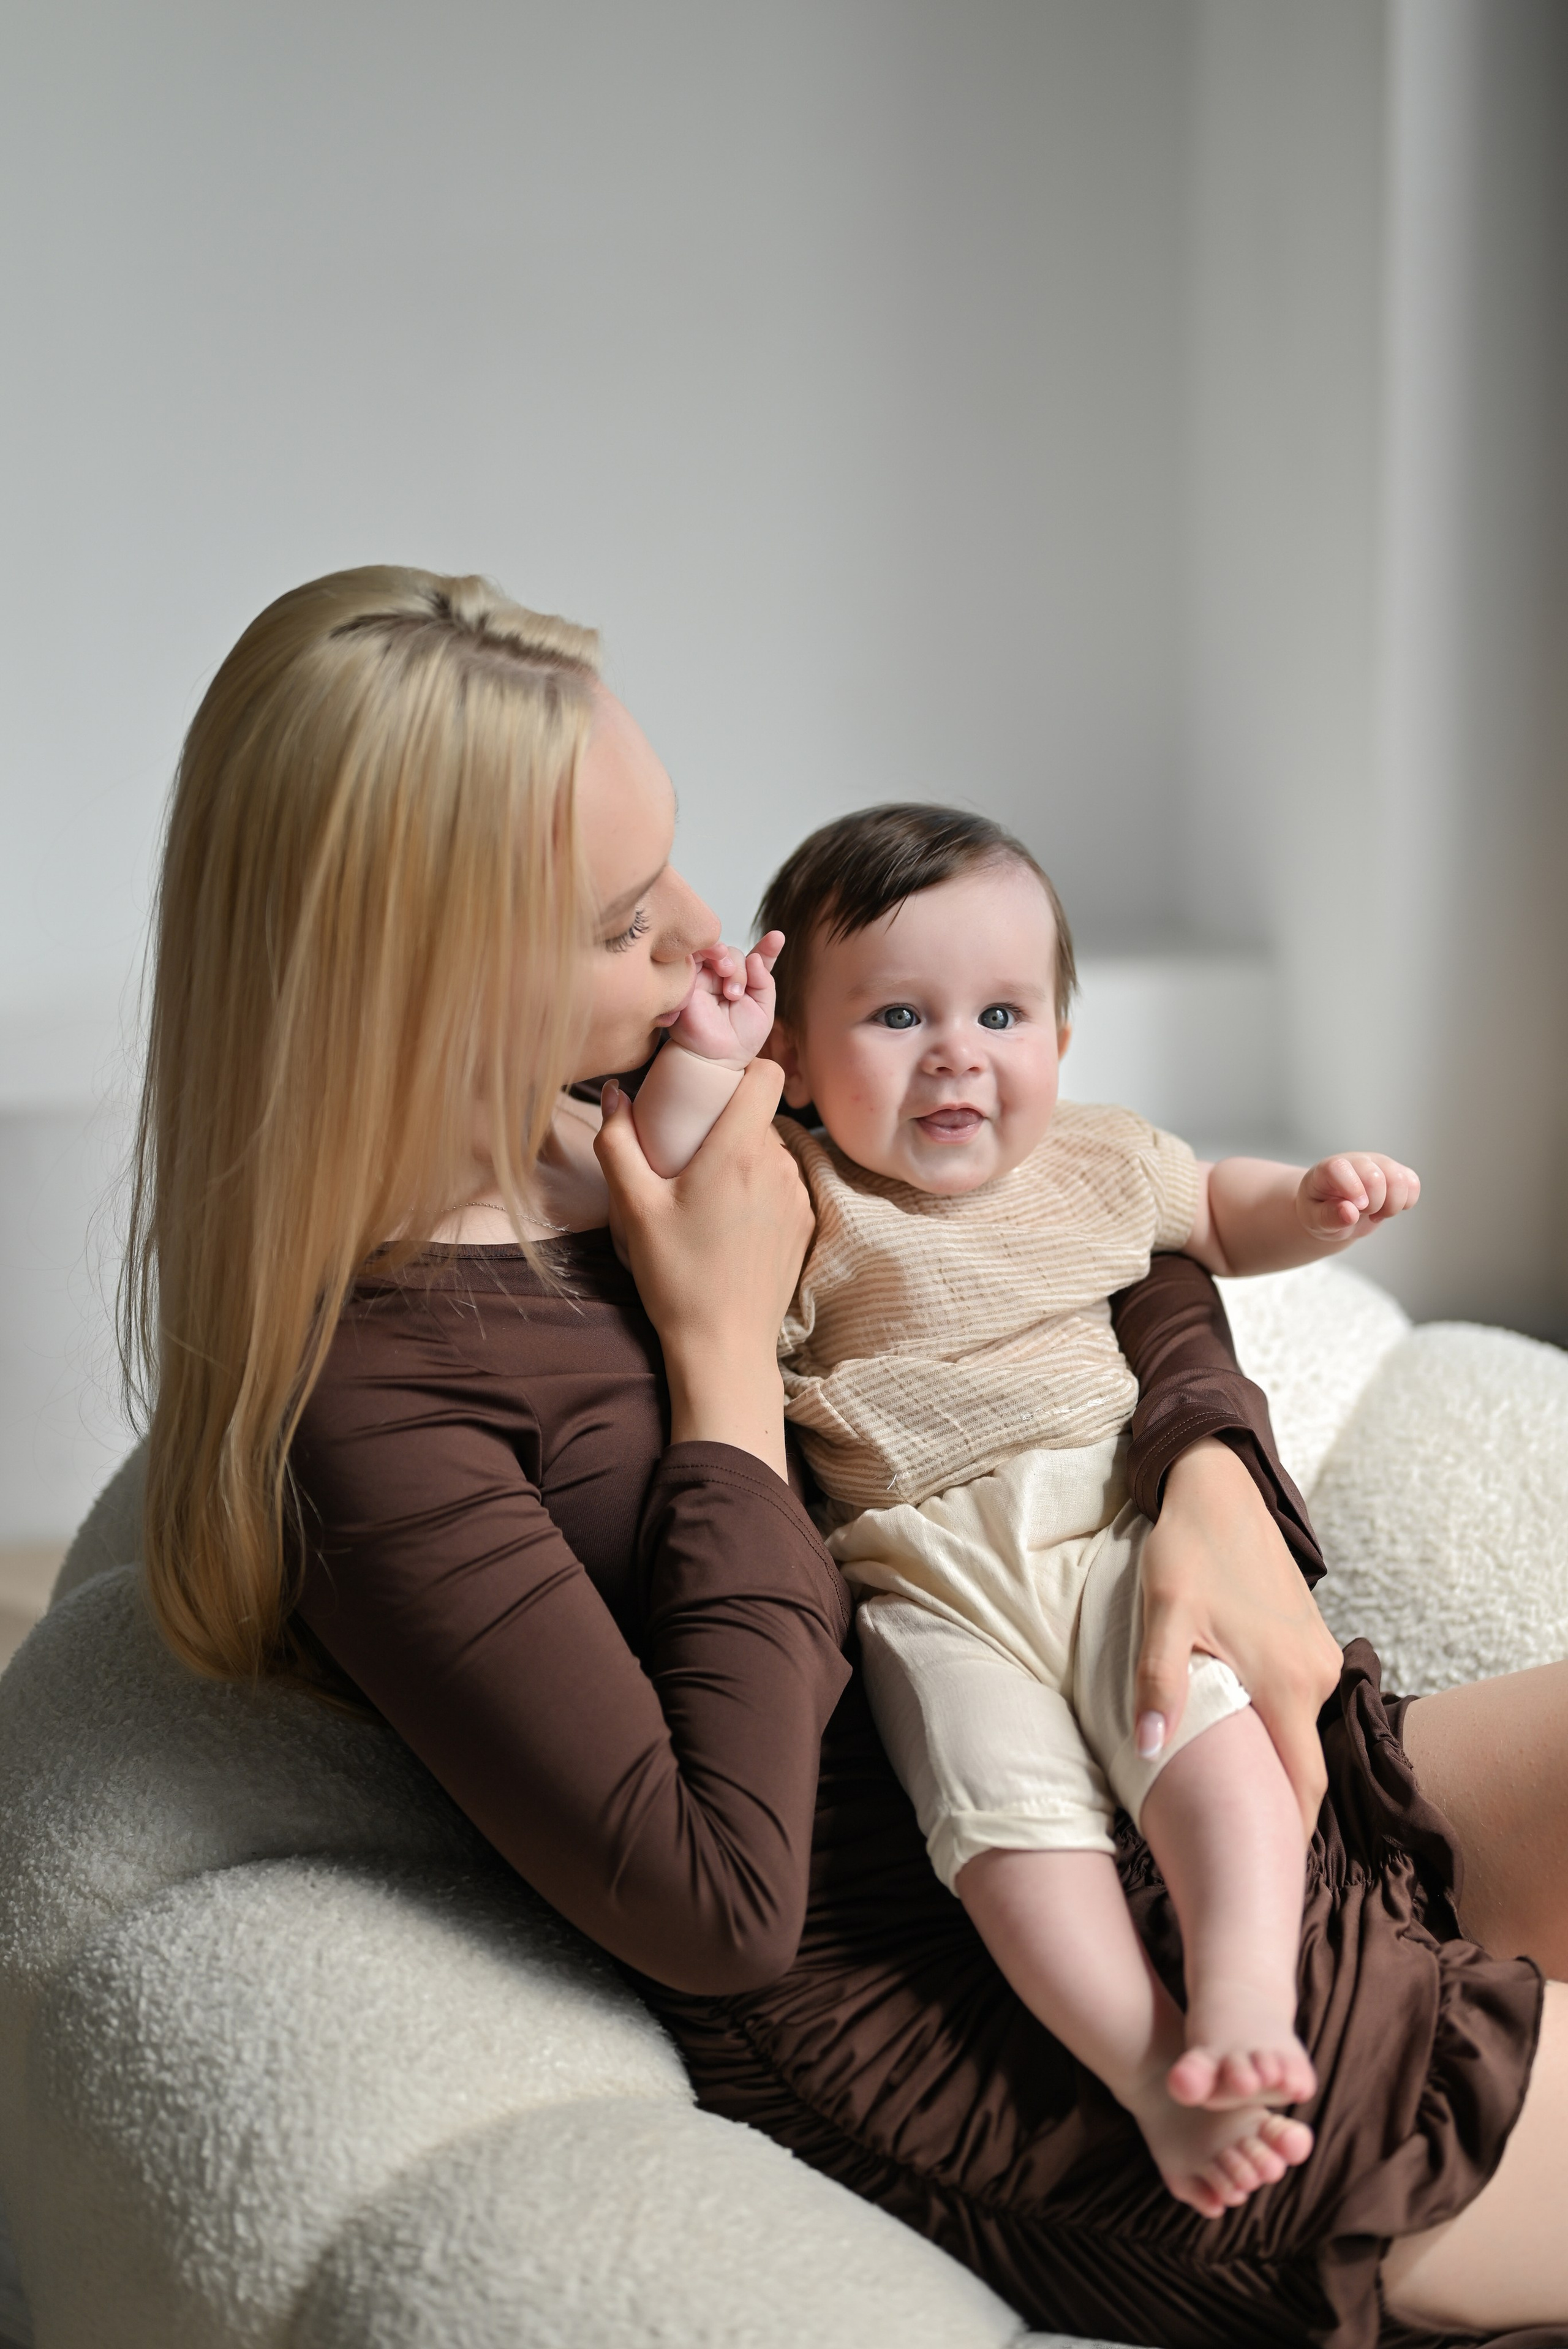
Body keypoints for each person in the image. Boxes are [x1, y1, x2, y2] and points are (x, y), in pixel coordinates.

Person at [125, 566, 1568, 2347]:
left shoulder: (686, 1095)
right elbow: (720, 1897)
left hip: (1162, 1728)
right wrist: (723, 1361)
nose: (710, 936)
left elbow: (1081, 1226)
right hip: (996, 1981)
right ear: (410, 986)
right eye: (618, 918)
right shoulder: (380, 1415)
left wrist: (1211, 1479)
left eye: (671, 867)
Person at [630, 799, 1419, 2217]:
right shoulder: (802, 1191)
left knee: (1208, 1740)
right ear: (794, 1060)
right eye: (892, 1016)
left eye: (1001, 1014)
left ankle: (1244, 1989)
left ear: (1058, 1042)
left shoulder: (1100, 1159)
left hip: (1108, 1522)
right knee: (1003, 1832)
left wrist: (1316, 1199)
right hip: (920, 1570)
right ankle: (1146, 2069)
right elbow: (674, 1160)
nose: (955, 1054)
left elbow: (1223, 1216)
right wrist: (706, 1046)